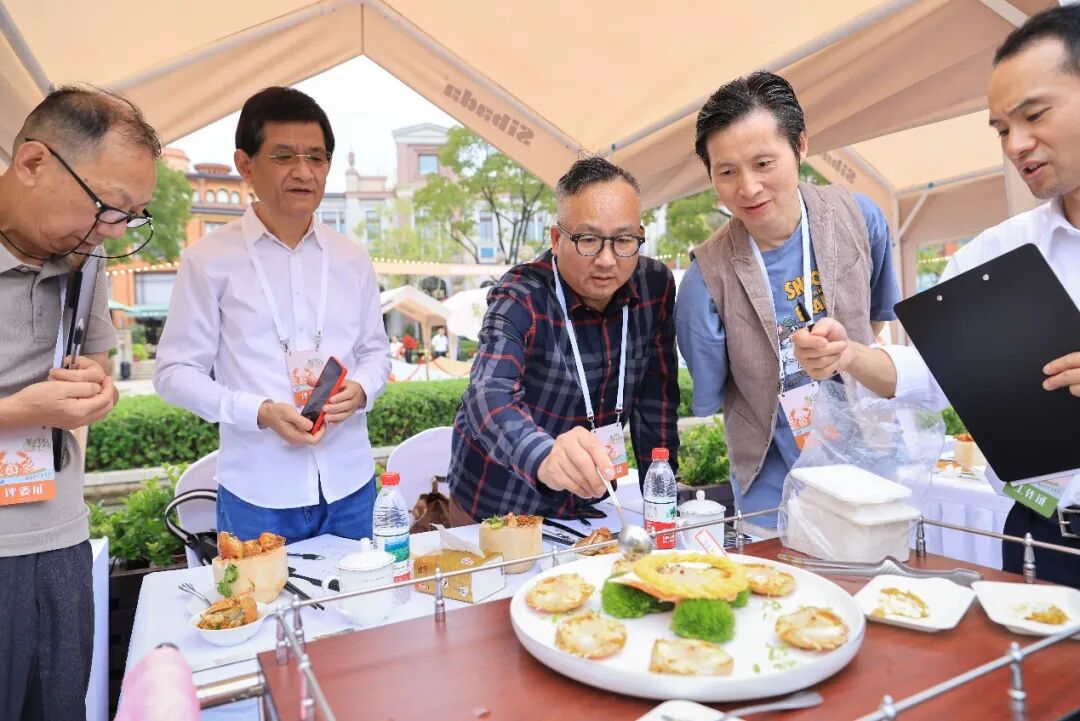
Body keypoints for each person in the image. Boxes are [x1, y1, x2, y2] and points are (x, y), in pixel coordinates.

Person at [793, 4, 1080, 587]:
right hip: (1038, 535)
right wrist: (849, 354)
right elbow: (933, 371)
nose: (1016, 144)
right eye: (1001, 129)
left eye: (1034, 115)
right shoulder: (997, 252)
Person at [155, 87, 390, 543]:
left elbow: (376, 352)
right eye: (284, 156)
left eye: (316, 158)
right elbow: (174, 372)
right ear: (245, 165)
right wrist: (257, 412)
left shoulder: (351, 257)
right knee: (258, 592)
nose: (304, 172)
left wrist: (362, 388)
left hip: (350, 483)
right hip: (258, 490)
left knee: (364, 591)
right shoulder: (209, 260)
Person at [675, 71, 900, 535]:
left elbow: (875, 321)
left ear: (800, 146)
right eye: (727, 172)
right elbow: (712, 389)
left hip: (871, 470)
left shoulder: (861, 218)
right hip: (770, 491)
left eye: (763, 163)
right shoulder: (704, 280)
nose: (748, 188)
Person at [0, 85, 158, 721]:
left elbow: (97, 362)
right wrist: (19, 411)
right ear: (33, 162)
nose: (112, 232)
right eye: (106, 207)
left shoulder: (83, 259)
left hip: (62, 538)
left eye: (130, 217)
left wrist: (95, 387)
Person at [448, 157, 680, 522]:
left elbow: (657, 402)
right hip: (500, 503)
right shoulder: (520, 296)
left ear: (639, 234)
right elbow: (487, 393)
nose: (607, 260)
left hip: (591, 503)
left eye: (623, 240)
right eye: (588, 240)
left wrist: (662, 498)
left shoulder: (655, 285)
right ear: (557, 239)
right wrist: (544, 456)